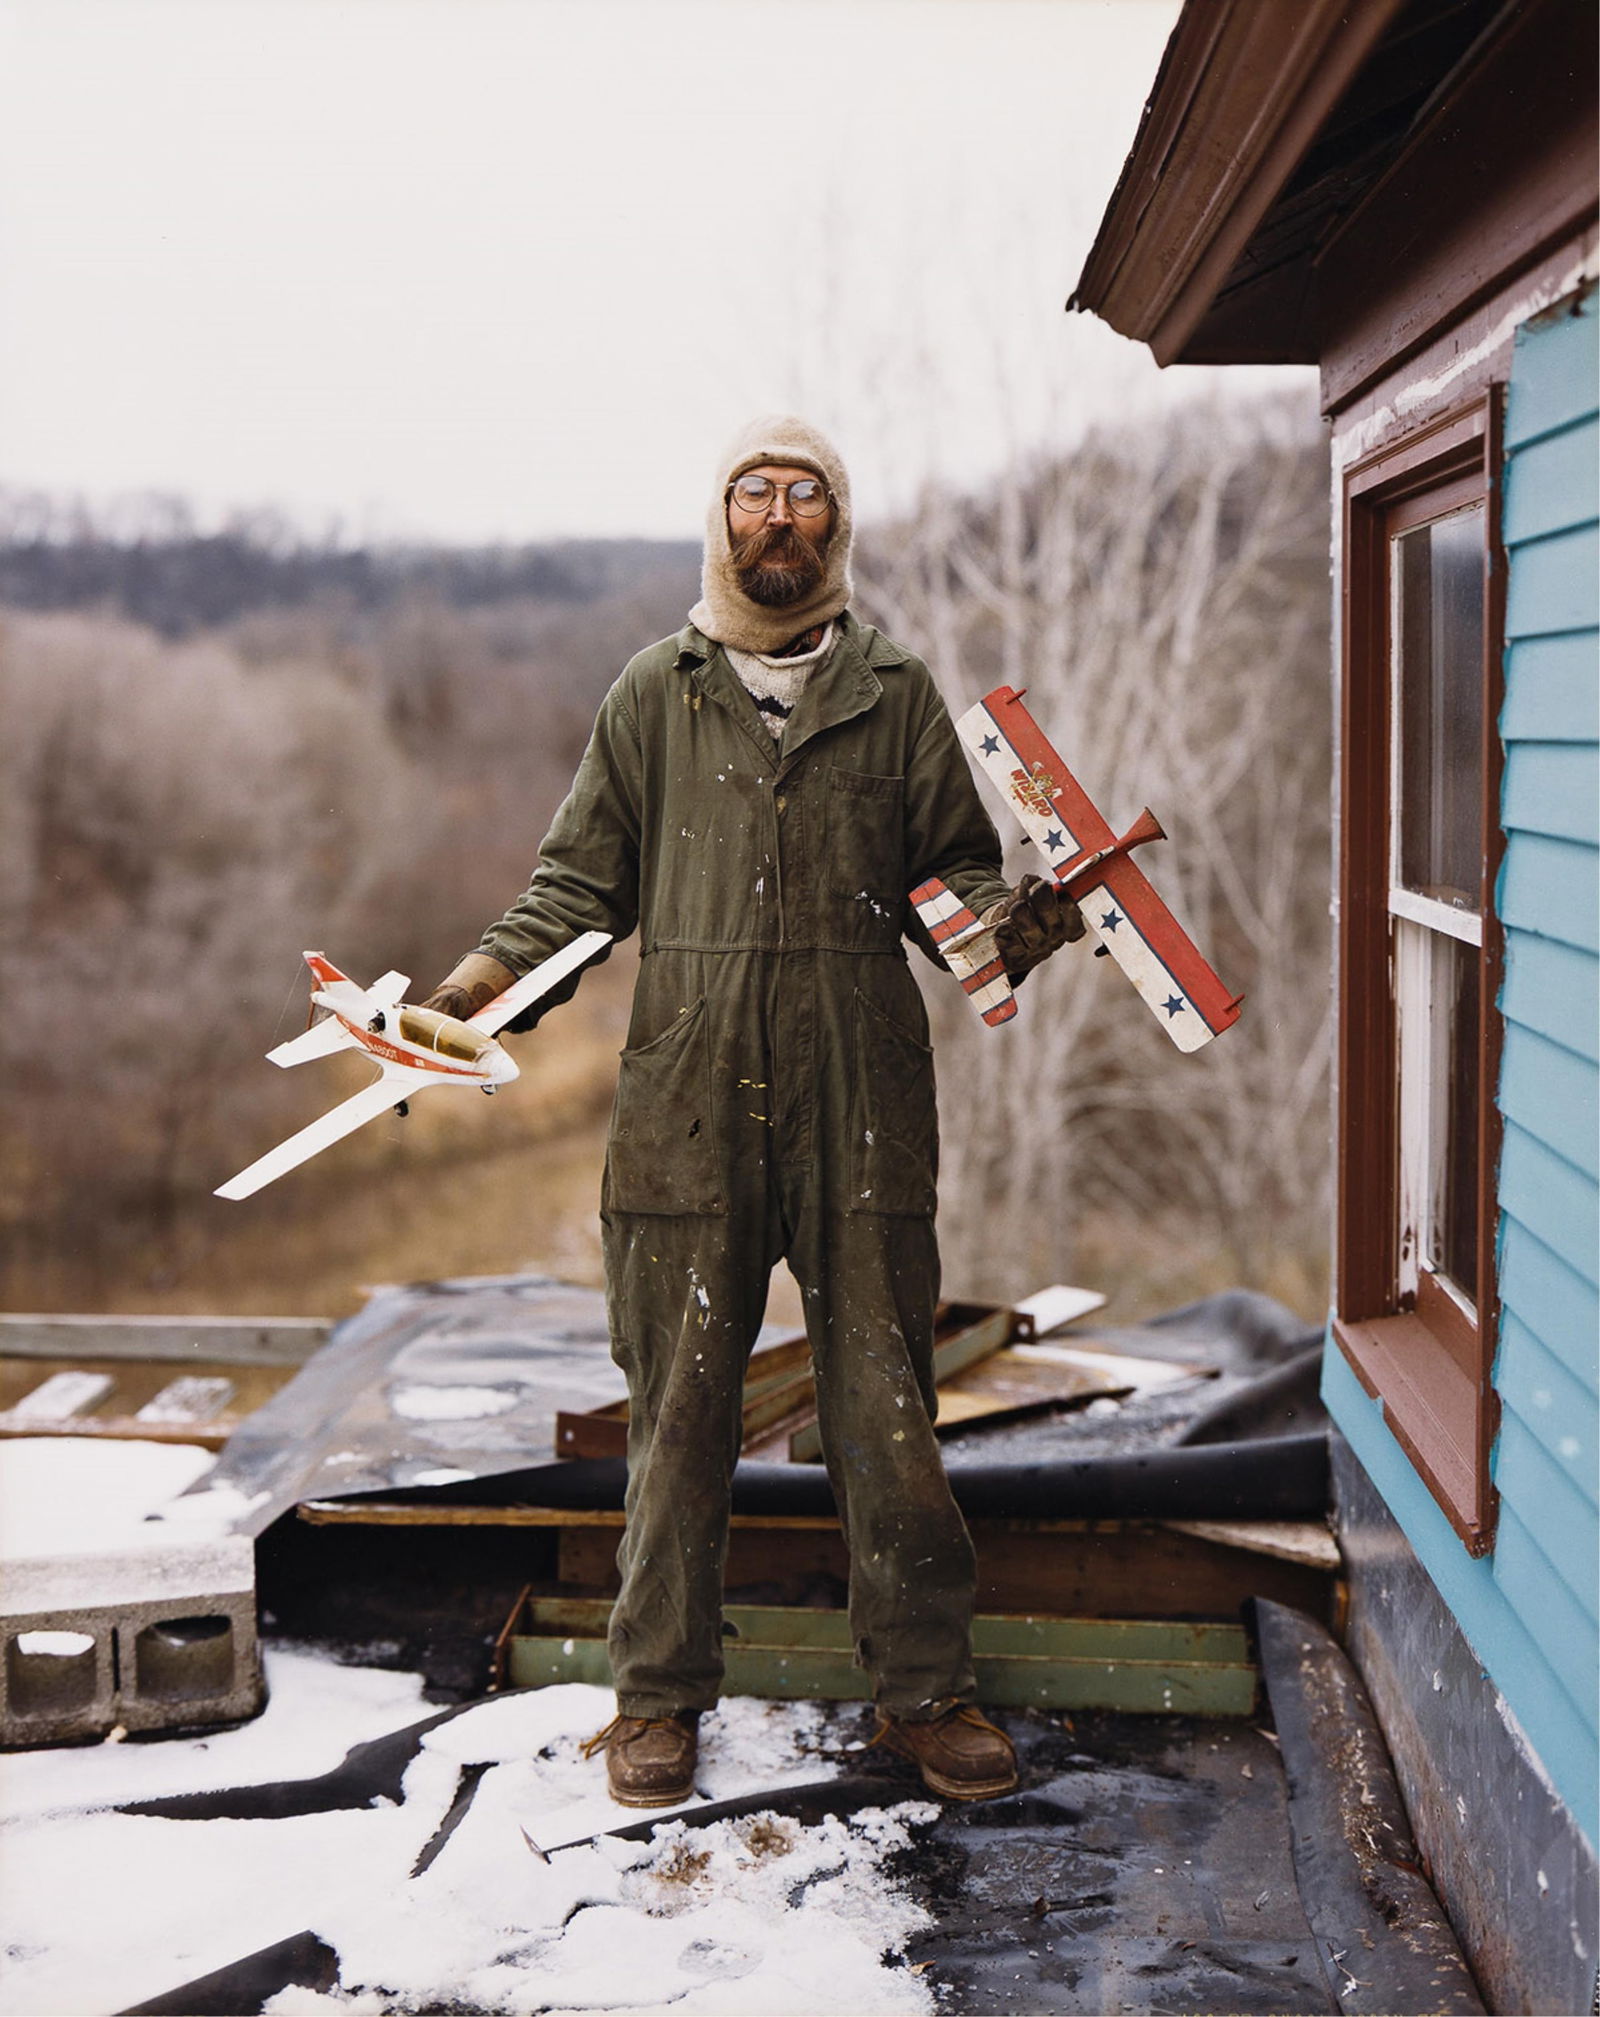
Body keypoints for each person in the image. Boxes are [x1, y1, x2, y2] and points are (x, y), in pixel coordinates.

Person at [424, 416, 1082, 1806]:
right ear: (720, 520)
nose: (779, 517)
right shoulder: (652, 694)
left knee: (887, 1405)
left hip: (862, 1098)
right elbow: (573, 893)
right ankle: (656, 1696)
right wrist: (474, 990)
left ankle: (921, 1689)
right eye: (754, 494)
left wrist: (1032, 923)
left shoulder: (894, 691)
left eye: (804, 496)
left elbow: (952, 900)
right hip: (688, 1104)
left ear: (834, 525)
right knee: (677, 1406)